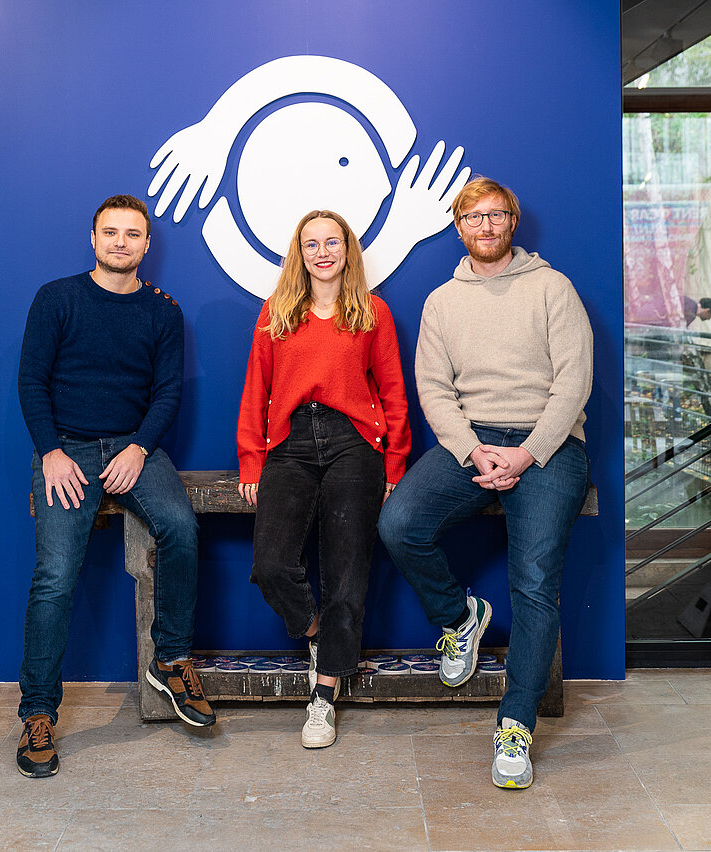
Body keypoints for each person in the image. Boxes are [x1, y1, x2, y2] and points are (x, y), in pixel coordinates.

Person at [378, 177, 593, 789]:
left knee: (533, 584)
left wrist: (524, 454)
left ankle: (515, 727)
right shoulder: (443, 302)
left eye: (497, 215)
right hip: (470, 440)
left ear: (512, 223)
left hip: (548, 445)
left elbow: (573, 383)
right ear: (459, 226)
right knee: (398, 524)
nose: (487, 226)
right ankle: (460, 616)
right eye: (474, 217)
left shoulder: (553, 288)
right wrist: (474, 450)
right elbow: (435, 391)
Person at [15, 194, 214, 779]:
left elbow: (168, 394)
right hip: (66, 450)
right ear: (93, 238)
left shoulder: (163, 312)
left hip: (133, 445)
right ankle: (37, 713)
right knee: (55, 576)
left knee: (181, 527)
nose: (121, 242)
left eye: (133, 234)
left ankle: (171, 659)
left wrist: (138, 447)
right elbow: (31, 383)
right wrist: (50, 452)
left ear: (147, 245)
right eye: (111, 232)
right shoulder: (57, 299)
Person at [236, 210, 410, 749]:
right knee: (270, 565)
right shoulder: (277, 314)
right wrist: (250, 460)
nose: (322, 252)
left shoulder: (373, 313)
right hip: (288, 442)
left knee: (346, 570)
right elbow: (255, 390)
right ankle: (317, 634)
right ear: (300, 253)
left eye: (331, 242)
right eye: (311, 244)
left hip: (354, 443)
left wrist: (394, 464)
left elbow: (394, 393)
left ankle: (324, 696)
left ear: (347, 250)